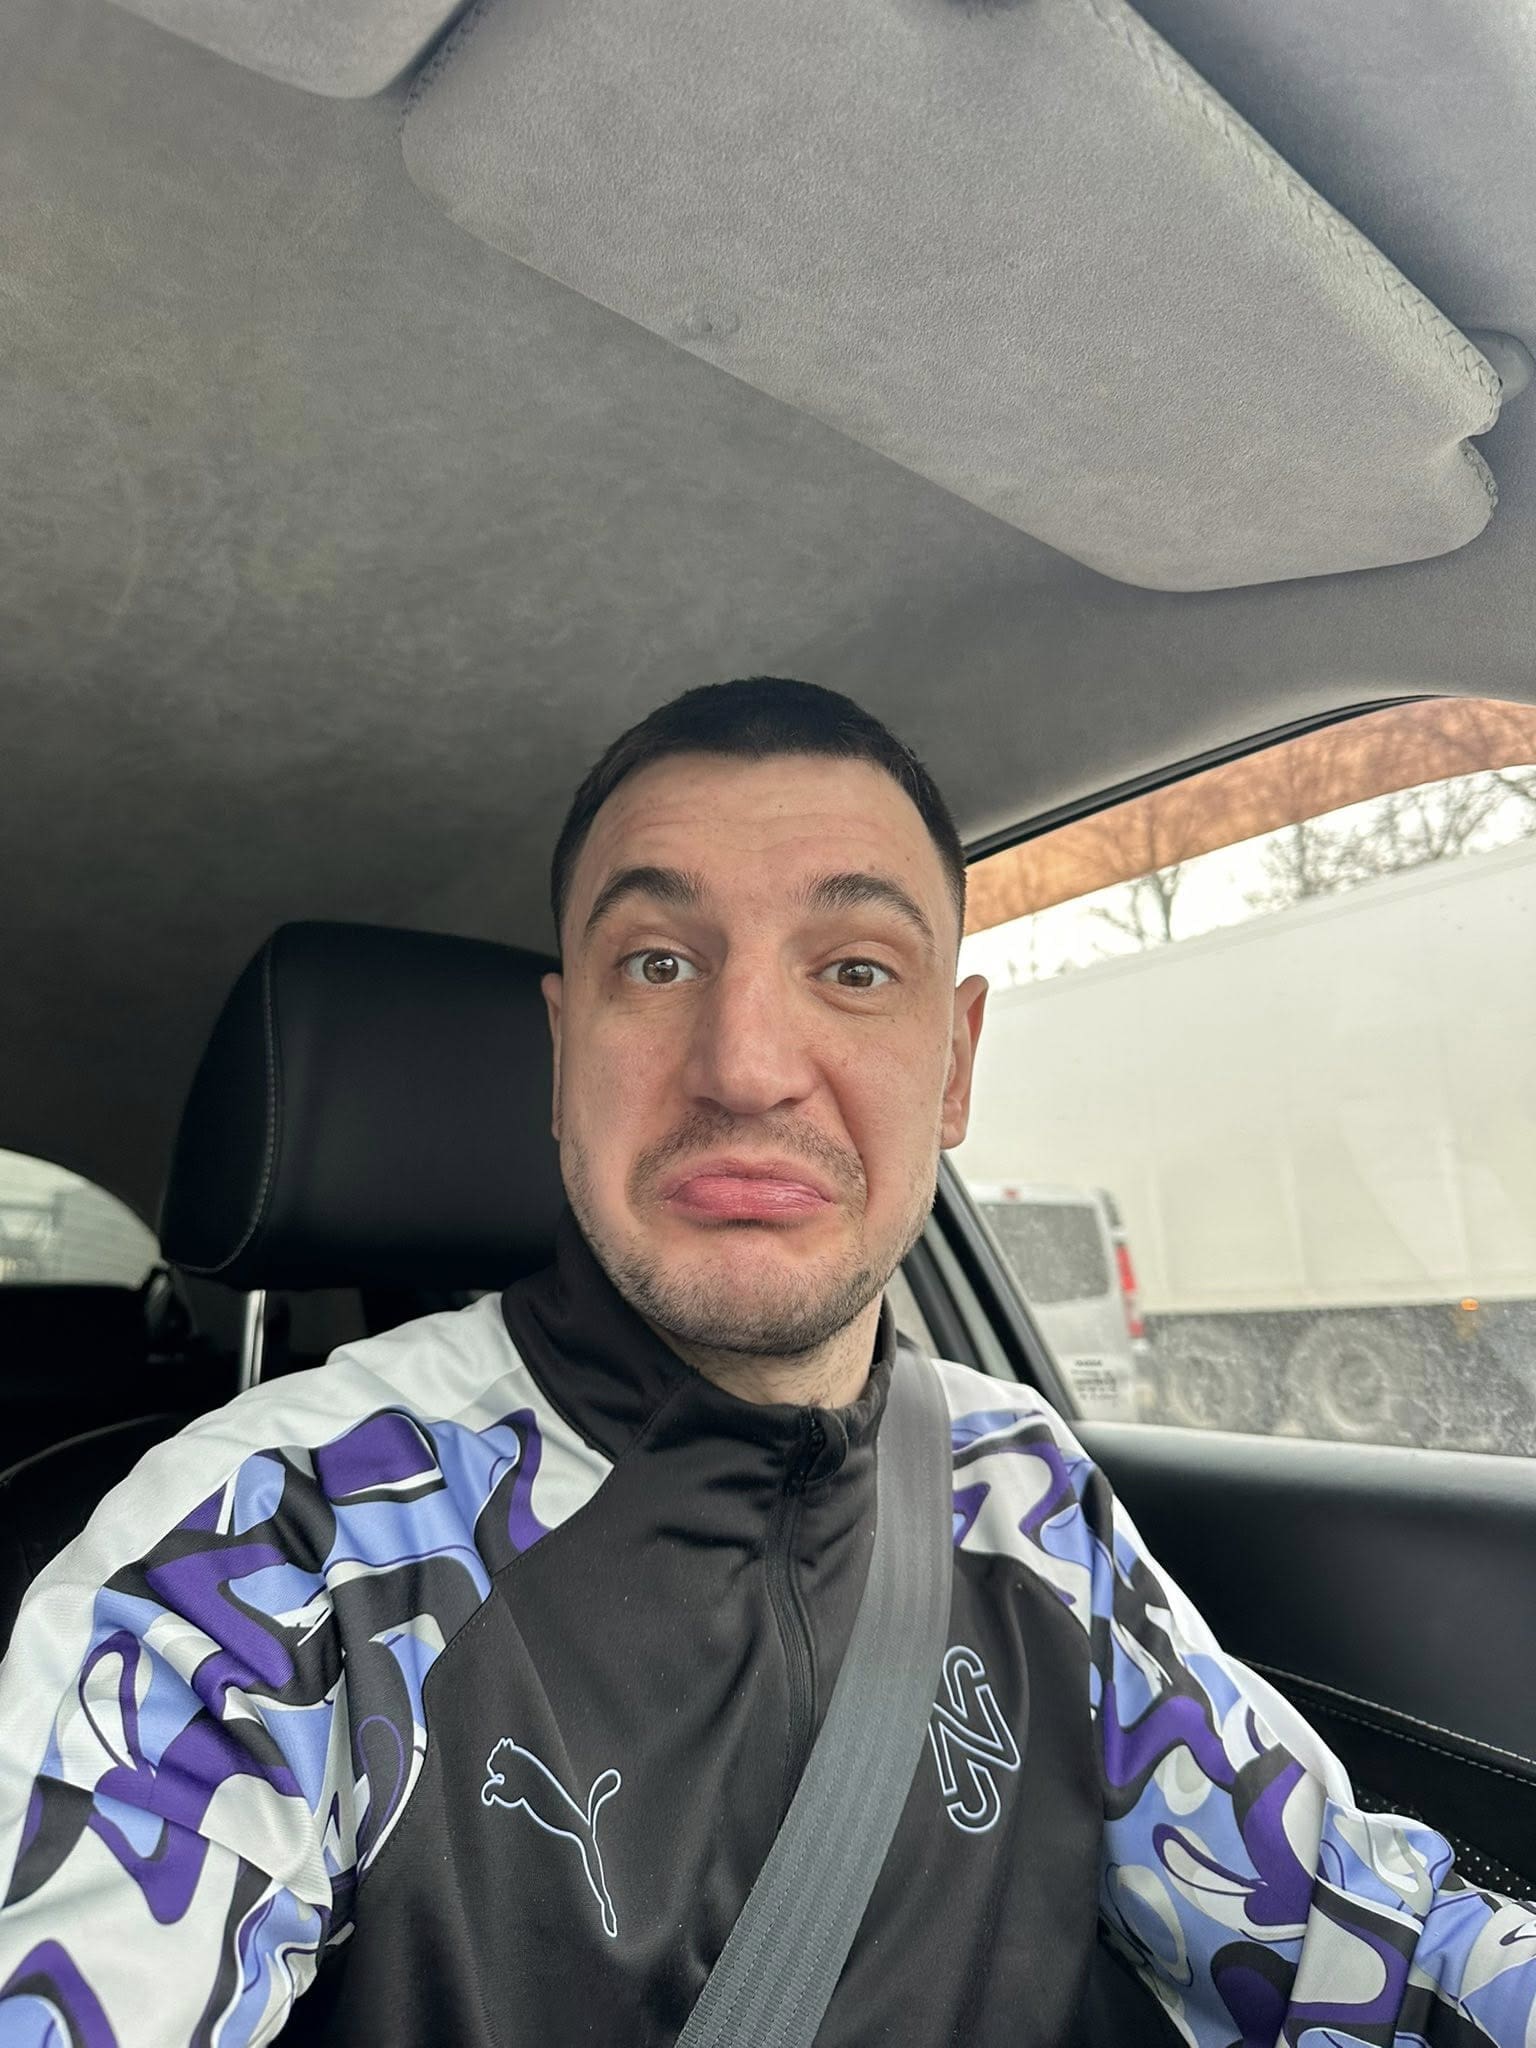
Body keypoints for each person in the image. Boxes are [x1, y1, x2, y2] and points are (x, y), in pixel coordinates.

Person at [0, 676, 1531, 2047]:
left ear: (955, 1063)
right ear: (563, 1052)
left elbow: (1363, 1951)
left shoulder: (1018, 1493)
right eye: (659, 962)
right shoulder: (266, 1556)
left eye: (854, 970)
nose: (744, 1064)